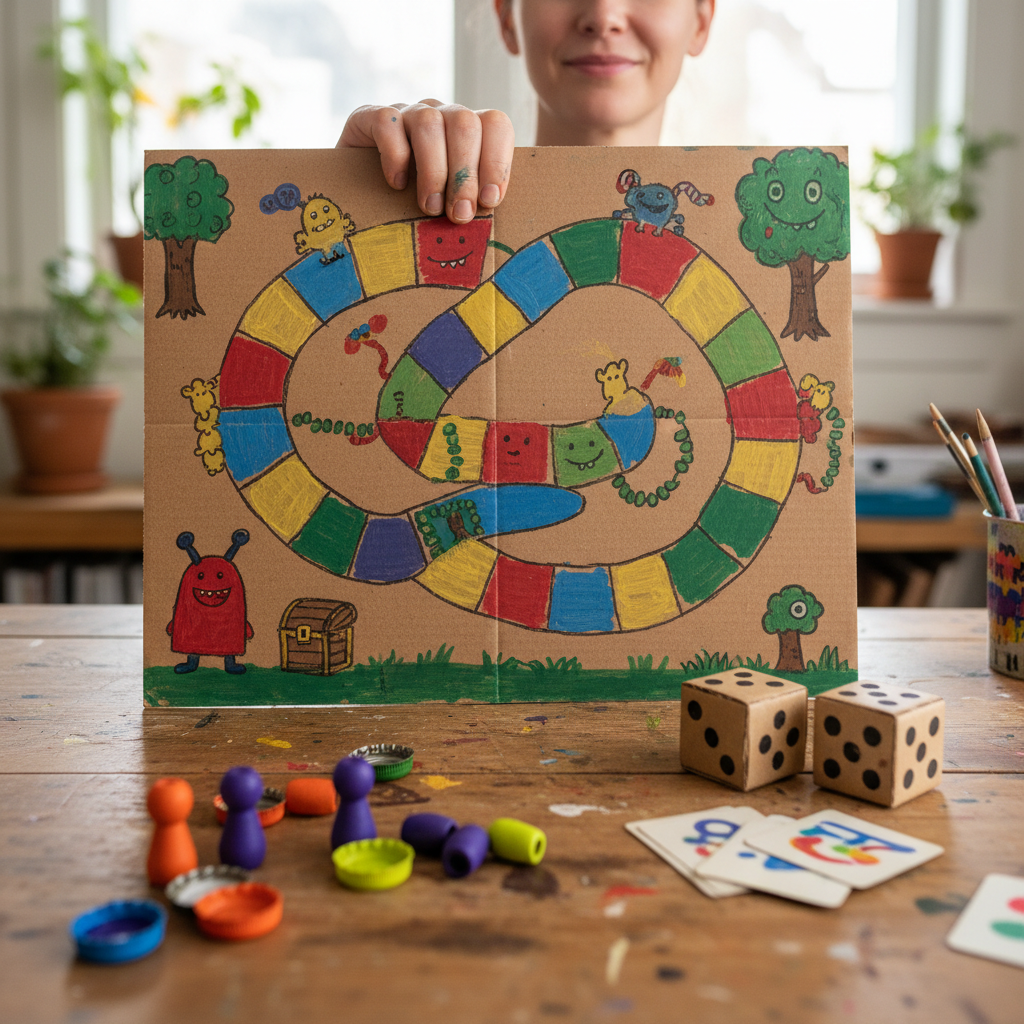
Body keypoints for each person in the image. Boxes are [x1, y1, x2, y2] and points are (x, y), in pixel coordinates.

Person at [337, 0, 715, 224]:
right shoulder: (420, 186)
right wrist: (351, 195)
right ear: (506, 18)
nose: (603, 16)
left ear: (701, 20)